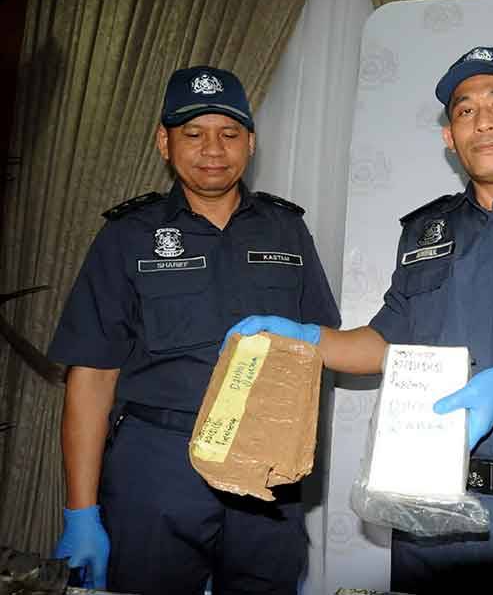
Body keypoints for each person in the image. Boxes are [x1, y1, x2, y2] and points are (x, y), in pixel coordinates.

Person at [226, 46, 493, 592]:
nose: (483, 121)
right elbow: (385, 343)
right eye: (465, 111)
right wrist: (307, 339)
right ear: (449, 137)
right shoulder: (424, 231)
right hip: (425, 498)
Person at [48, 66, 341, 595]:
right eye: (193, 134)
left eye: (229, 134)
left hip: (265, 468)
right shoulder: (127, 236)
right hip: (157, 466)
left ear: (250, 143)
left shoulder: (287, 230)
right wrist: (81, 511)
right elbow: (91, 378)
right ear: (165, 142)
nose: (213, 149)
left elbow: (316, 352)